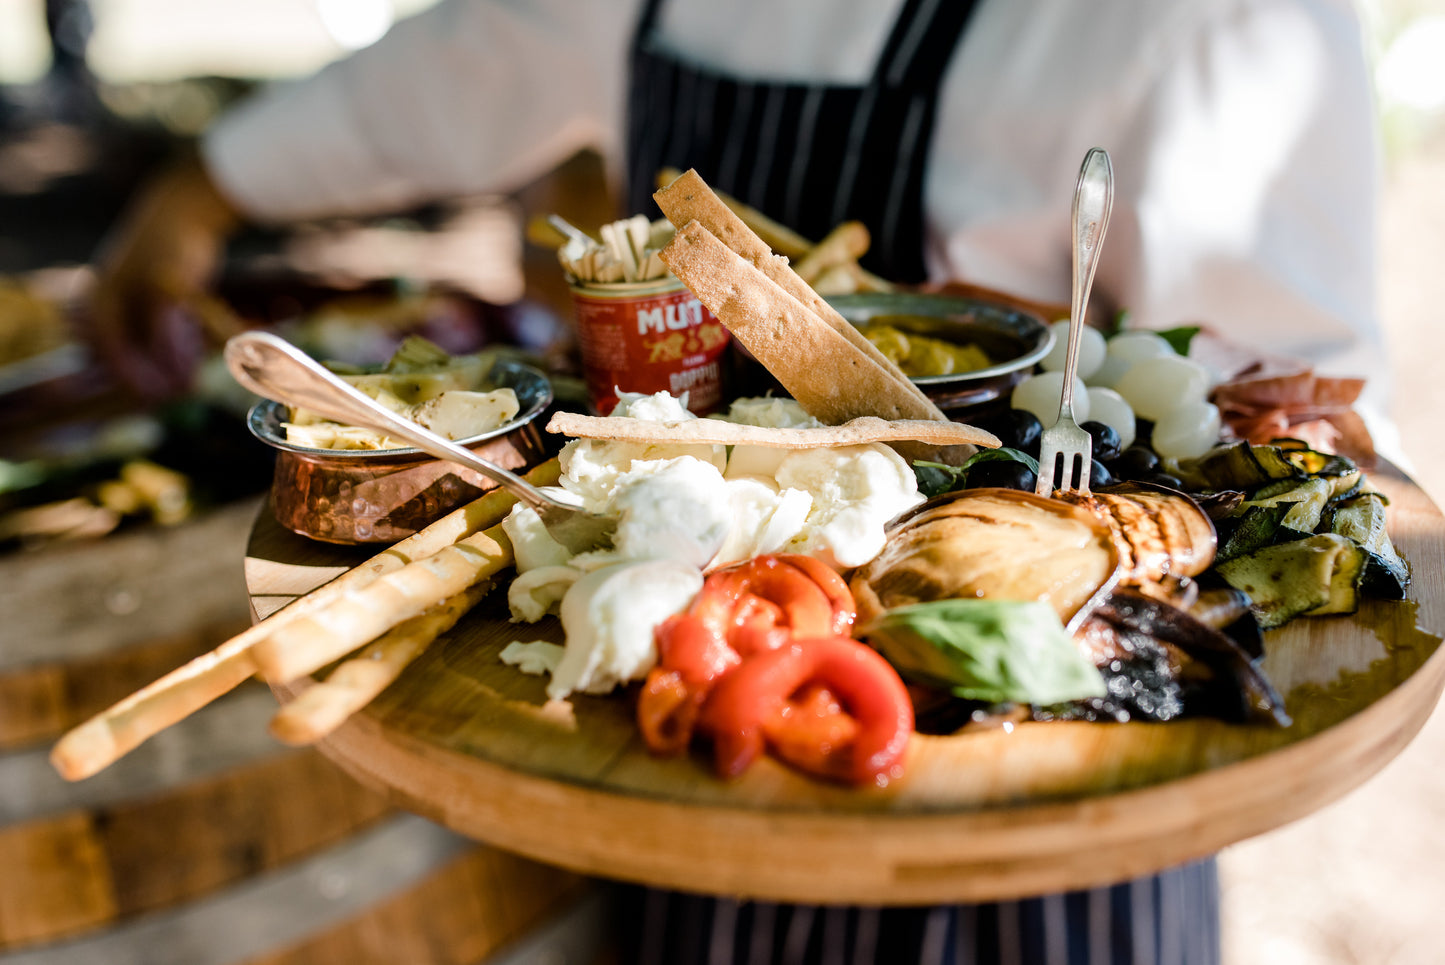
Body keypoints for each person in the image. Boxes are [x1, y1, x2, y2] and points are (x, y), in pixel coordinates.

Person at [89, 0, 1385, 962]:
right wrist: (198, 194)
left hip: (1028, 799)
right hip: (691, 737)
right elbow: (462, 66)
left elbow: (1297, 403)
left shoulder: (1221, 19)